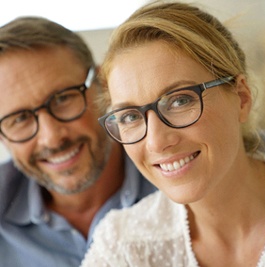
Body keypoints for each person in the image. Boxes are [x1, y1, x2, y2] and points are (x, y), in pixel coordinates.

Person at [80, 2, 265, 266]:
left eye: (180, 101)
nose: (156, 141)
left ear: (241, 98)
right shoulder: (121, 245)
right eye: (129, 116)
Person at [0, 17, 156, 267]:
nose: (51, 137)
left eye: (63, 99)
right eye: (20, 119)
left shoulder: (178, 179)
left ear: (102, 84)